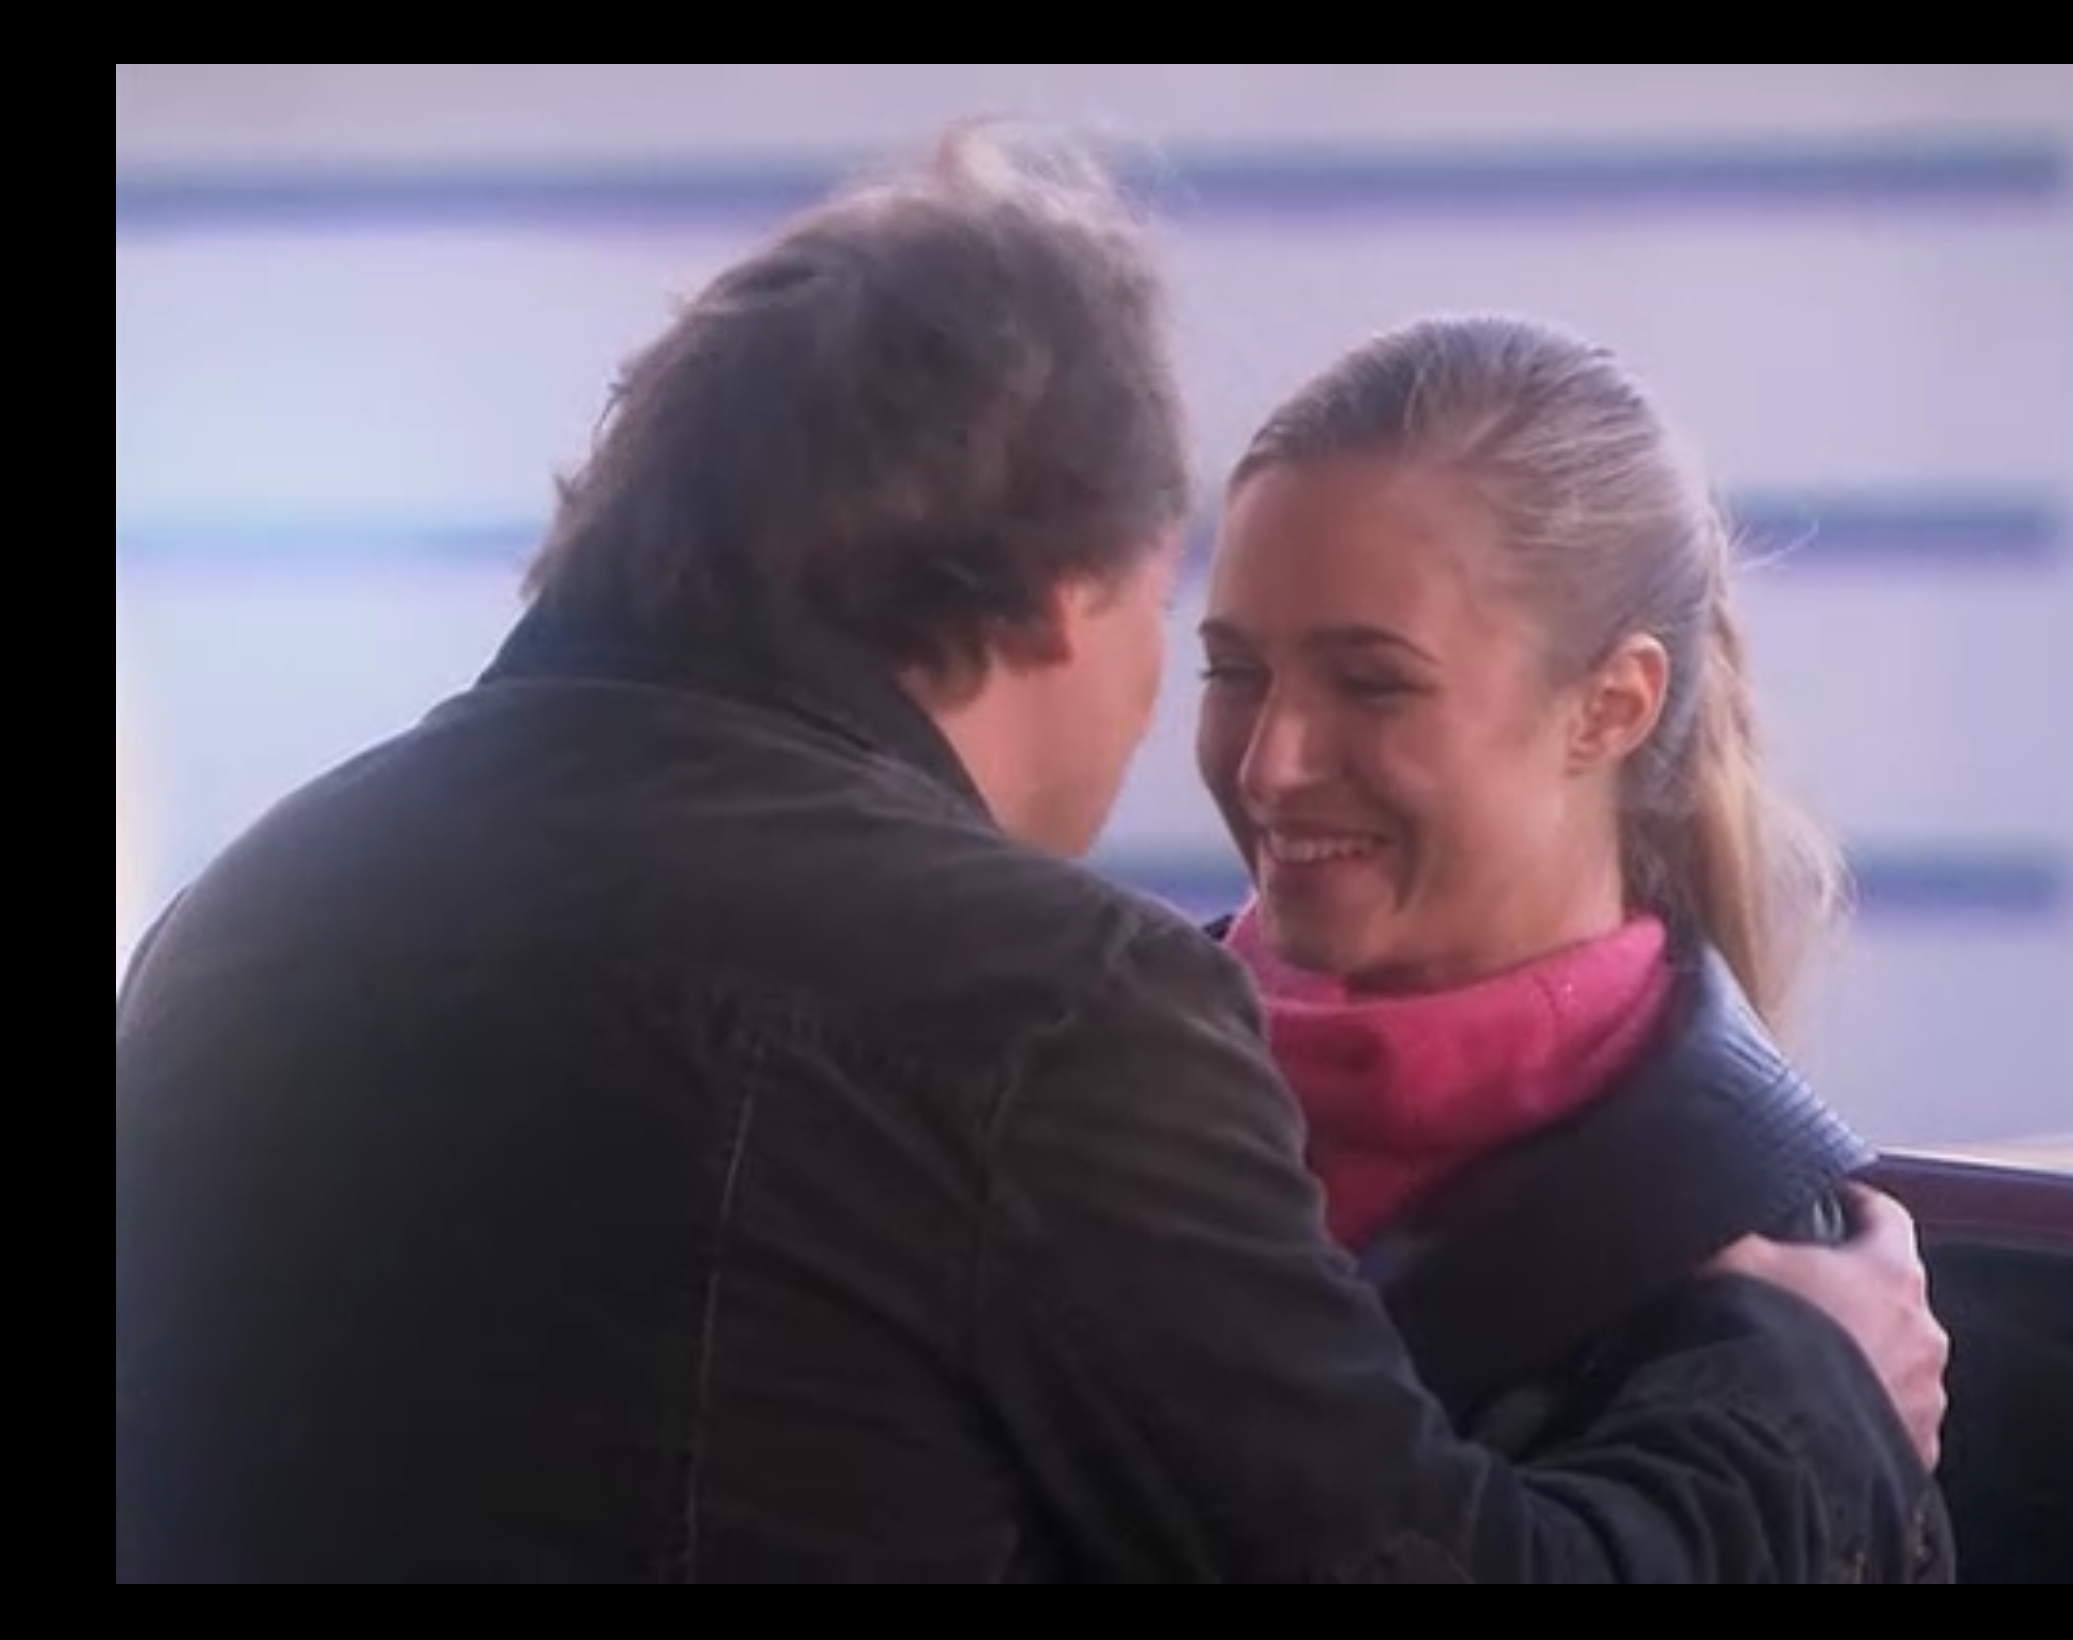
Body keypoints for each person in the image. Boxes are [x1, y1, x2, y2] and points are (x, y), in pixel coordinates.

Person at [114, 120, 1946, 1584]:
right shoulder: (1043, 1014)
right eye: (1207, 649)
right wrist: (1812, 1393)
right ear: (1077, 593)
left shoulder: (249, 902)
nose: (1256, 753)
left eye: (1370, 678)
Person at [1190, 313, 1957, 1581]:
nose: (1270, 762)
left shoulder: (1761, 1243)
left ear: (1611, 703)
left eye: (1370, 682)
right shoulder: (1084, 1091)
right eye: (1232, 671)